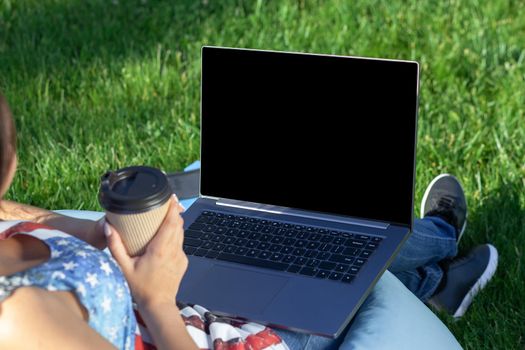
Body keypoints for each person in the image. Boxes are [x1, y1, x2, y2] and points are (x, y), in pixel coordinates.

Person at [0, 92, 497, 349]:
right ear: (12, 159)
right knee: (325, 224)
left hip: (177, 294)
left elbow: (22, 218)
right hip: (223, 335)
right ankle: (437, 247)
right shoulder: (17, 320)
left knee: (281, 210)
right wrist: (156, 298)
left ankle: (434, 272)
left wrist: (98, 233)